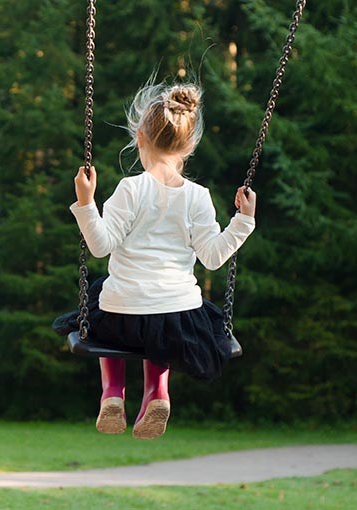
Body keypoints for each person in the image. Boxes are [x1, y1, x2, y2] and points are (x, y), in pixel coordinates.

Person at [58, 80, 257, 439]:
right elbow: (213, 258)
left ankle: (112, 392)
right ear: (190, 144)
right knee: (162, 323)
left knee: (102, 296)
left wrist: (86, 202)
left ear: (139, 137)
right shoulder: (198, 196)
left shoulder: (130, 189)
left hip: (122, 317)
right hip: (177, 319)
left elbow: (100, 246)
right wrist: (243, 221)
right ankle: (157, 392)